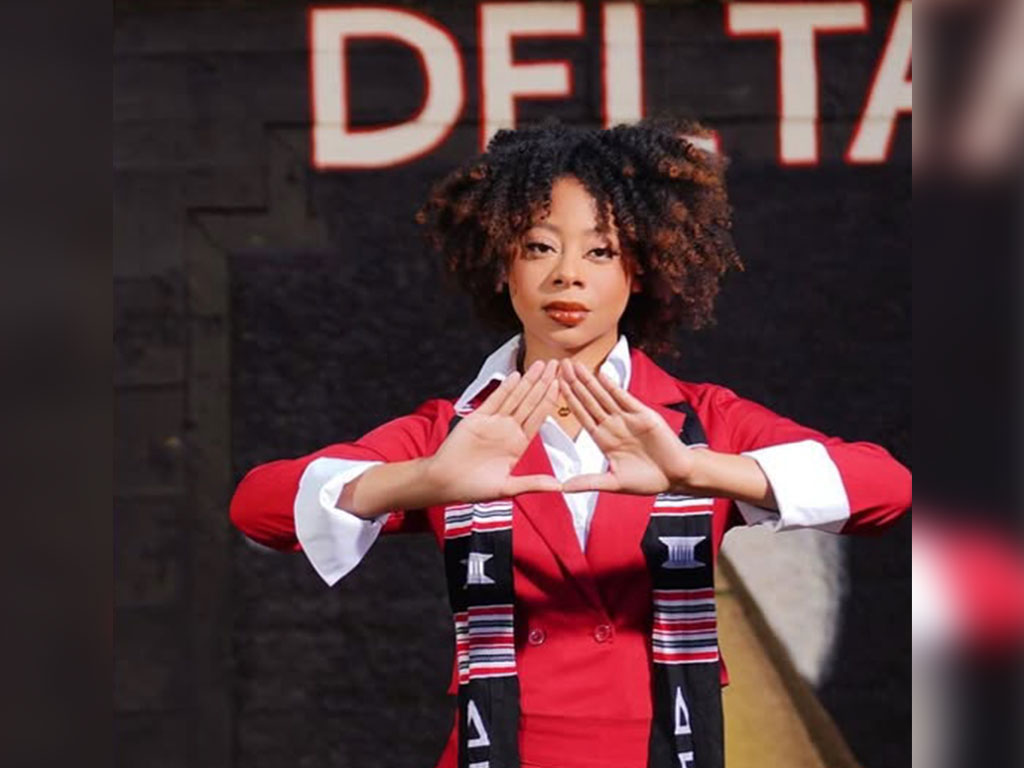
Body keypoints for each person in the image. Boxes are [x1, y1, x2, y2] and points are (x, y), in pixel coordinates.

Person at [229, 119, 912, 768]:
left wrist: (694, 469)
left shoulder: (701, 419)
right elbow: (256, 507)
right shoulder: (453, 430)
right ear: (505, 263)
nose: (567, 275)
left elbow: (887, 490)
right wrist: (419, 484)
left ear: (638, 271)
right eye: (538, 245)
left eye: (601, 249)